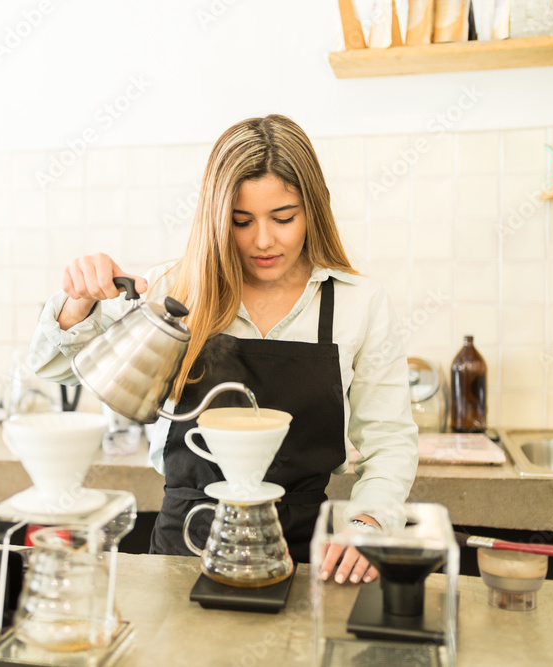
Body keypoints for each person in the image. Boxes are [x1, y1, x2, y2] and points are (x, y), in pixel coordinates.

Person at [28, 114, 418, 584]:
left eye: (284, 217)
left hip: (300, 555)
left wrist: (368, 522)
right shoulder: (176, 289)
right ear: (216, 217)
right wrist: (80, 300)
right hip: (182, 551)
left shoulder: (358, 303)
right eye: (240, 221)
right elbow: (56, 368)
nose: (263, 240)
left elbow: (390, 439)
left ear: (313, 208)